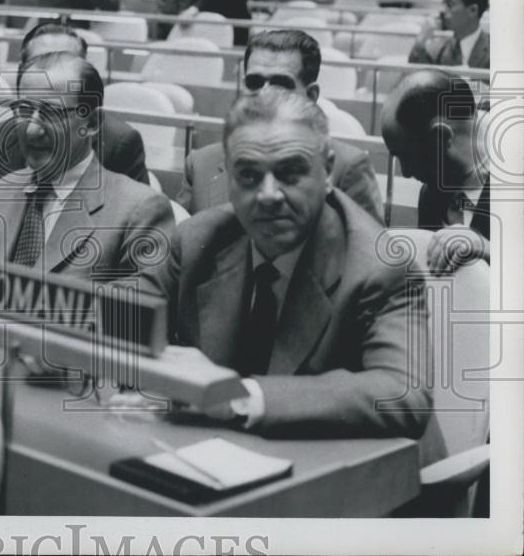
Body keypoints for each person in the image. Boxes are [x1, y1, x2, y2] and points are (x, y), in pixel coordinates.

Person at [158, 90, 441, 457]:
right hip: (228, 458)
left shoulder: (379, 266)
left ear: (327, 172)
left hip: (367, 482)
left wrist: (236, 396)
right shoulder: (197, 240)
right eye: (248, 175)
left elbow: (404, 394)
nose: (268, 195)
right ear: (227, 176)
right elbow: (125, 337)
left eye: (290, 173)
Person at [0, 52, 173, 294]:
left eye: (52, 113)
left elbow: (133, 317)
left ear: (92, 124)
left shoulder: (140, 211)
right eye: (24, 110)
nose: (32, 130)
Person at [177, 29, 383, 223]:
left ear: (311, 97)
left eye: (281, 83)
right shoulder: (201, 164)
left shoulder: (348, 169)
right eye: (254, 82)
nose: (264, 94)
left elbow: (370, 256)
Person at [0, 21, 150, 193]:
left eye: (65, 61)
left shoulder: (119, 144)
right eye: (41, 62)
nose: (53, 68)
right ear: (22, 70)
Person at [381, 70, 490, 274]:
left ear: (441, 137)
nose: (405, 173)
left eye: (407, 157)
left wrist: (490, 250)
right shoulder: (432, 190)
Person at [408, 0, 489, 68]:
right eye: (443, 5)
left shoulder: (497, 49)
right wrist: (421, 40)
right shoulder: (437, 49)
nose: (442, 11)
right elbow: (415, 76)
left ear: (473, 10)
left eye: (449, 5)